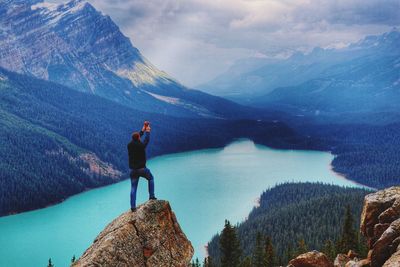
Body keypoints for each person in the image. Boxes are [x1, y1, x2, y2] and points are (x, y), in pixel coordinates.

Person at [127, 121, 156, 212]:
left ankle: (133, 207)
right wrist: (147, 131)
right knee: (151, 178)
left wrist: (142, 131)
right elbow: (146, 140)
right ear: (139, 138)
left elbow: (135, 138)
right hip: (142, 169)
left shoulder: (129, 145)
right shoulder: (141, 146)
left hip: (133, 170)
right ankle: (151, 196)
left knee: (133, 187)